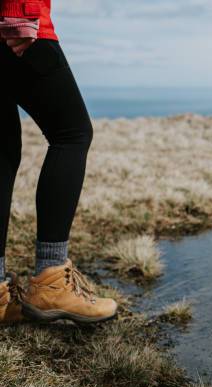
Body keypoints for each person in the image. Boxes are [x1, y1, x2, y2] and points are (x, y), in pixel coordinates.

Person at [0, 0, 117, 325]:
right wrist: (19, 9)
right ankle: (51, 282)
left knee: (3, 149)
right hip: (17, 22)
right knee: (72, 134)